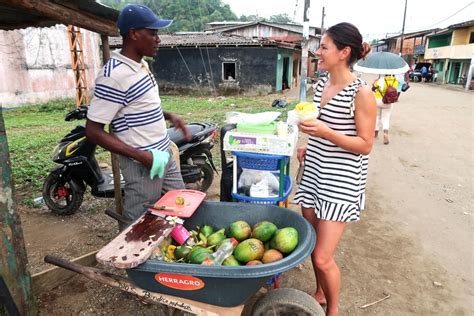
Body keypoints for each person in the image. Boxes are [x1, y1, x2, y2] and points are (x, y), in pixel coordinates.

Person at [294, 22, 376, 315]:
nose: (318, 52)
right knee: (313, 243)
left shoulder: (362, 93)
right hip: (314, 172)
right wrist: (310, 146)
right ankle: (319, 292)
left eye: (324, 47)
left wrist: (326, 133)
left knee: (322, 257)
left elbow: (365, 144)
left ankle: (334, 310)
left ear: (344, 52)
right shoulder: (322, 85)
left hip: (340, 182)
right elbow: (322, 129)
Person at [85, 4, 191, 224]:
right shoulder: (113, 76)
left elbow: (139, 105)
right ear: (133, 34)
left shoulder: (140, 65)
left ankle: (175, 252)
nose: (158, 39)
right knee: (139, 221)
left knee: (181, 204)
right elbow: (93, 131)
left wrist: (169, 115)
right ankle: (133, 258)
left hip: (163, 154)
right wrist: (142, 157)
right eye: (152, 33)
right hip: (142, 163)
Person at [372, 75, 399, 144]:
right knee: (386, 118)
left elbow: (373, 88)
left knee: (377, 117)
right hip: (388, 101)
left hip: (378, 100)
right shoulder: (395, 80)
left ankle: (375, 134)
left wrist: (375, 82)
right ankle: (385, 133)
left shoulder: (381, 80)